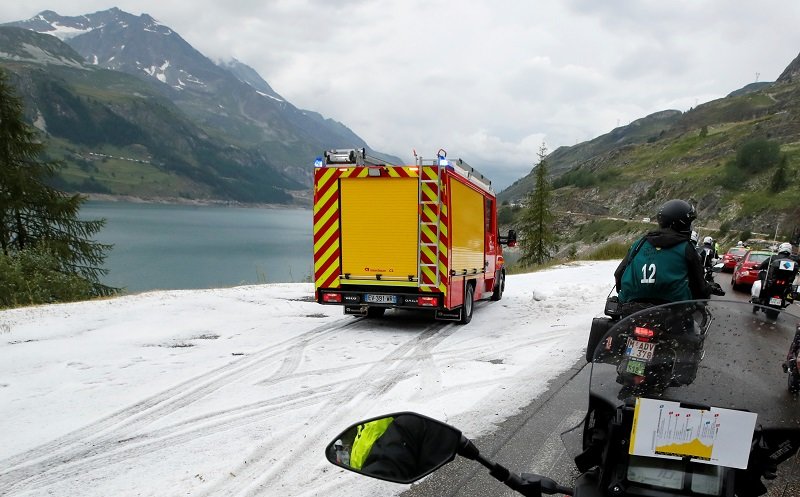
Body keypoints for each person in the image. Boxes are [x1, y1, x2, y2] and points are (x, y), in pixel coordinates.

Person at [614, 199, 723, 315]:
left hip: (633, 310)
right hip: (674, 312)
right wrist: (707, 290)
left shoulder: (639, 243)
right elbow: (698, 286)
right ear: (683, 223)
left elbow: (619, 273)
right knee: (694, 331)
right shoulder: (686, 247)